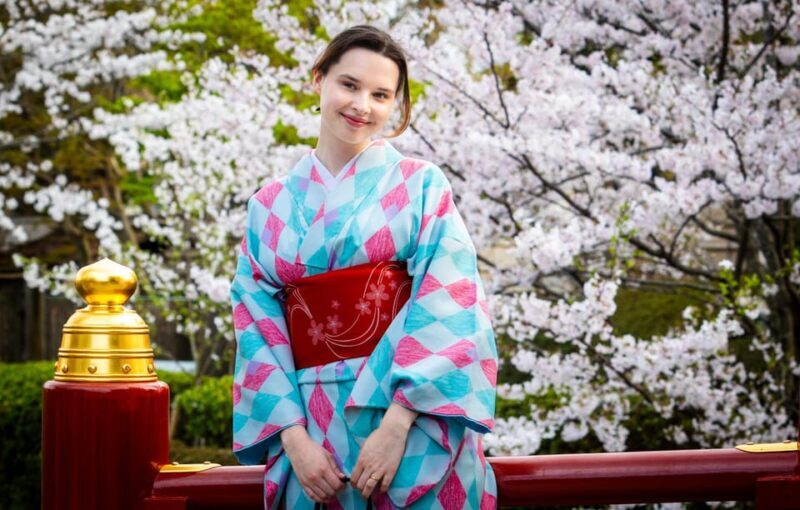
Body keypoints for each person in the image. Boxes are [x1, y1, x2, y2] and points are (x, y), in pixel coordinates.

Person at [230, 25, 498, 510]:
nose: (362, 106)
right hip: (310, 427)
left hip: (411, 419)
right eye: (349, 85)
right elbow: (255, 325)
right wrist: (293, 440)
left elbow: (451, 298)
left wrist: (397, 425)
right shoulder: (267, 207)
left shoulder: (420, 185)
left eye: (380, 95)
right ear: (319, 80)